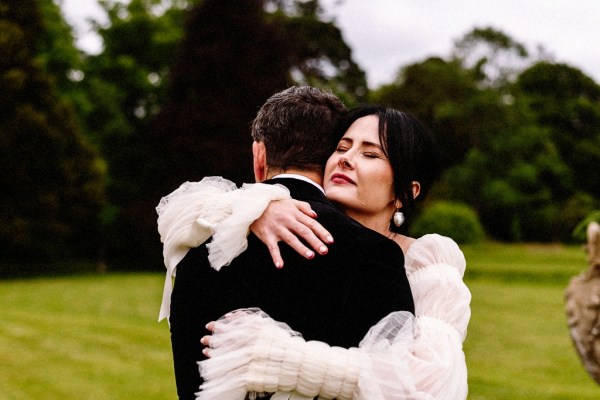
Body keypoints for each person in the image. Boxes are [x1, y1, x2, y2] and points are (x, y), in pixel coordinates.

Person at [178, 104, 471, 399]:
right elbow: (185, 208)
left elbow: (434, 379)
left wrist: (288, 358)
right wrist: (259, 205)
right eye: (342, 148)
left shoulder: (428, 260)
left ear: (406, 191)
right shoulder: (280, 214)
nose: (346, 159)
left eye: (370, 154)